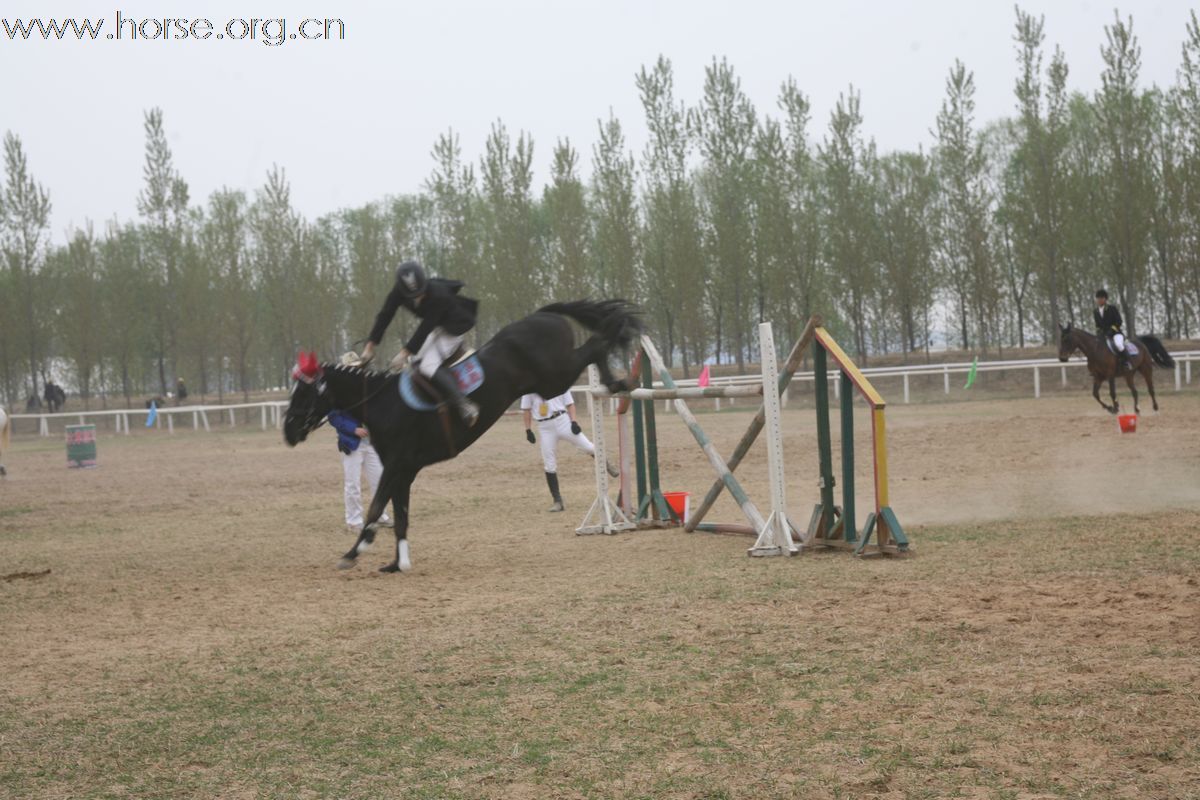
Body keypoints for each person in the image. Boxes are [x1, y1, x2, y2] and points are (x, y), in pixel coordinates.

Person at [359, 261, 480, 426]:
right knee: (415, 362)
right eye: (413, 296)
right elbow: (385, 314)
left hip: (455, 325)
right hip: (438, 326)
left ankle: (464, 404)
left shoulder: (438, 295)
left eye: (421, 292)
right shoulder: (399, 291)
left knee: (427, 366)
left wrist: (403, 353)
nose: (419, 297)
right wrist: (370, 346)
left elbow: (425, 328)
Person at [521, 390, 617, 512]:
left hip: (563, 421)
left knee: (588, 447)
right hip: (544, 427)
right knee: (549, 463)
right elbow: (526, 409)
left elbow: (570, 404)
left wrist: (573, 421)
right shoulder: (529, 390)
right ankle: (557, 501)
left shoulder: (560, 382)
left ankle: (606, 464)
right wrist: (528, 430)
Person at [327, 409, 391, 533]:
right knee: (353, 484)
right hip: (352, 444)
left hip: (372, 443)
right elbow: (333, 417)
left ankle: (380, 515)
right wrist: (354, 429)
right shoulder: (340, 393)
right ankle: (354, 521)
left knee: (380, 481)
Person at [1093, 289, 1133, 373]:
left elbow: (1119, 321)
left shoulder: (1112, 308)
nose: (1099, 300)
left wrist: (1111, 330)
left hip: (1115, 333)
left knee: (1119, 345)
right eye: (1098, 298)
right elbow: (1097, 325)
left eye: (1101, 298)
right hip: (1103, 335)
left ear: (1105, 299)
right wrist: (1099, 332)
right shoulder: (1095, 311)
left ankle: (1127, 362)